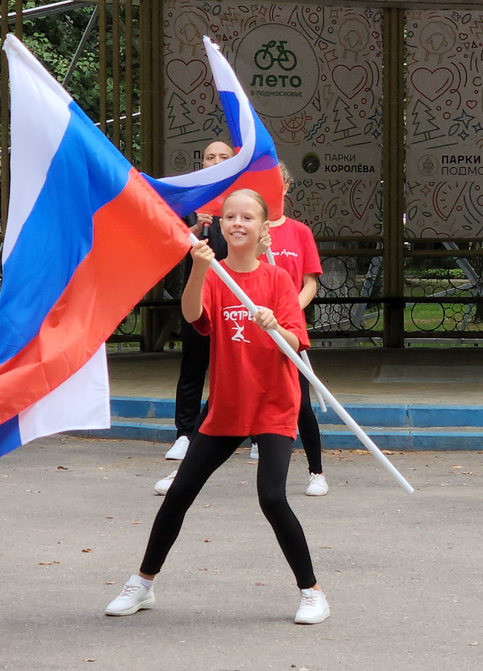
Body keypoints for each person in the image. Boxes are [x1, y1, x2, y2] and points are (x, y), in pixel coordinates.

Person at [107, 189, 329, 624]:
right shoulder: (215, 275)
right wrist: (198, 268)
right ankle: (143, 584)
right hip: (226, 407)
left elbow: (295, 340)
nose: (237, 223)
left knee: (271, 497)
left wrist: (272, 324)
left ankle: (312, 592)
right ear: (221, 225)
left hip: (272, 404)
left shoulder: (278, 280)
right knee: (178, 494)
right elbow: (194, 316)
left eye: (247, 217)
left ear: (263, 228)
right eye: (230, 217)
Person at [156, 141, 232, 494]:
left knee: (238, 363)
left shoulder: (240, 200)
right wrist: (198, 229)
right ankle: (185, 434)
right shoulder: (189, 201)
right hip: (199, 294)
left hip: (235, 295)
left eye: (223, 157)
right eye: (210, 157)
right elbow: (173, 247)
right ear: (201, 163)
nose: (216, 162)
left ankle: (253, 436)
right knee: (193, 365)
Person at [260, 162, 328, 496]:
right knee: (222, 398)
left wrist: (288, 312)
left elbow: (310, 283)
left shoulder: (299, 232)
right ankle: (185, 471)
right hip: (254, 326)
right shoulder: (253, 231)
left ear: (287, 187)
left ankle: (317, 471)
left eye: (278, 183)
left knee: (299, 401)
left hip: (288, 328)